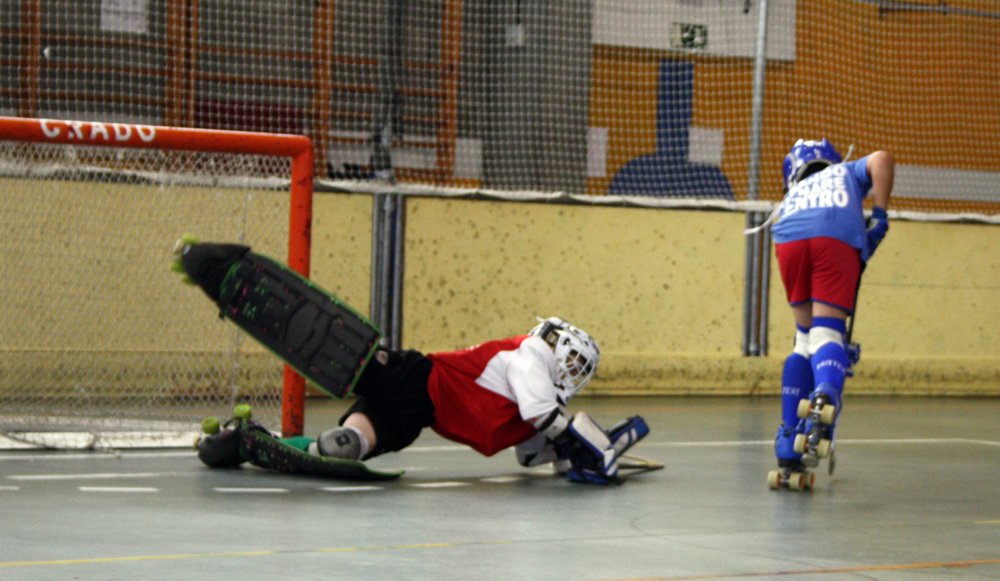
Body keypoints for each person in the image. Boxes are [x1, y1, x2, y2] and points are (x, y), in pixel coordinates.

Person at [310, 316, 642, 484]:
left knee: (368, 433)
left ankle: (337, 444)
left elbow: (529, 457)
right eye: (573, 362)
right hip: (419, 376)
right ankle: (317, 331)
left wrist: (570, 454)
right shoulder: (530, 354)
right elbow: (543, 414)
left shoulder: (535, 406)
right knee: (354, 362)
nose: (573, 372)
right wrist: (589, 443)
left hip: (423, 413)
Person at [768, 138, 894, 488]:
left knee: (804, 339)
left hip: (788, 231)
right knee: (827, 334)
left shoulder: (794, 192)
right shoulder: (844, 172)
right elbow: (882, 159)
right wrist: (880, 215)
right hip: (835, 231)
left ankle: (788, 442)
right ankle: (824, 393)